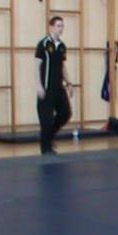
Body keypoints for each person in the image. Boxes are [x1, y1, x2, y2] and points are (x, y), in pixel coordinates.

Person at [35, 16, 73, 155]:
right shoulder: (44, 44)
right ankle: (46, 149)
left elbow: (62, 66)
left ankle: (50, 136)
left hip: (58, 87)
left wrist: (68, 83)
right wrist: (39, 85)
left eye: (62, 26)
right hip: (46, 87)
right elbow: (37, 65)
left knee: (65, 113)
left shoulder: (62, 46)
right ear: (51, 27)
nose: (60, 29)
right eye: (58, 26)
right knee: (46, 119)